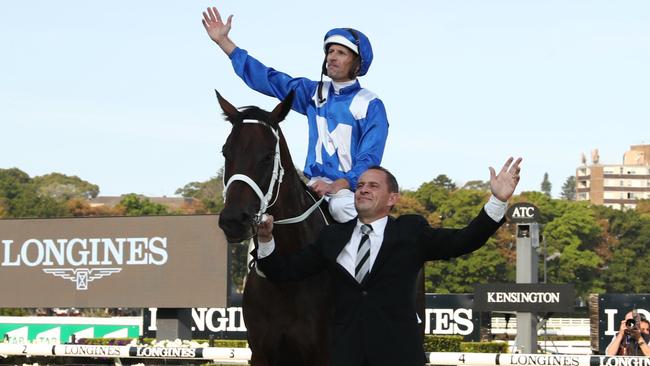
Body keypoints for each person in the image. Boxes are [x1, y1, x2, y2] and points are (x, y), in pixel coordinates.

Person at [254, 157, 522, 366]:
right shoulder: (332, 237)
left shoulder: (411, 232)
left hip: (399, 356)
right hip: (344, 358)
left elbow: (465, 240)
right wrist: (265, 240)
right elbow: (282, 271)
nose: (363, 190)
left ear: (392, 198)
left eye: (373, 185)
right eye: (359, 186)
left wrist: (498, 200)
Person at [202, 6, 389, 222]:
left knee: (342, 210)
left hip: (347, 191)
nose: (332, 58)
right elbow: (268, 78)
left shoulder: (371, 104)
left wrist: (338, 185)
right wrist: (225, 43)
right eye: (330, 52)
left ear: (357, 64)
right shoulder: (312, 92)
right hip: (311, 184)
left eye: (341, 53)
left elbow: (369, 158)